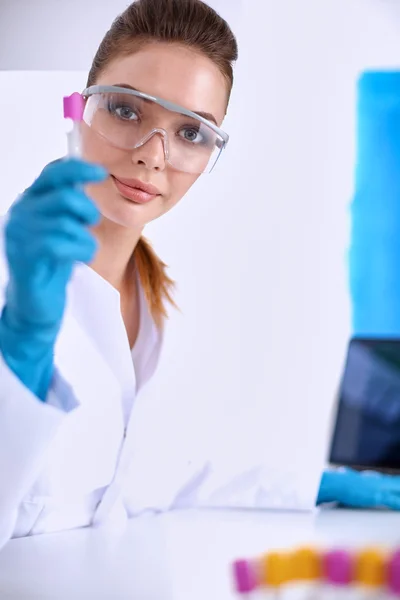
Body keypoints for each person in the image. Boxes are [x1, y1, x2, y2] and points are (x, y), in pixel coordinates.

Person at [0, 0, 399, 551]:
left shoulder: (159, 300)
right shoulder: (11, 275)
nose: (152, 156)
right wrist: (20, 346)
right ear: (79, 110)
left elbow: (148, 478)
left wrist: (311, 484)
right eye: (125, 109)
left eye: (191, 133)